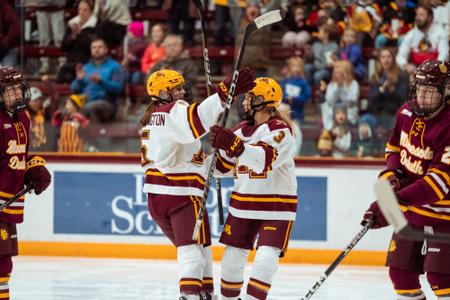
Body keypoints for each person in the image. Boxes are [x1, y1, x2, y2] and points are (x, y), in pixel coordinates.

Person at [140, 68, 256, 300]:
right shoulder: (173, 110)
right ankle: (190, 294)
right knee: (191, 251)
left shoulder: (151, 119)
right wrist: (223, 95)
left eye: (182, 87)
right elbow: (195, 121)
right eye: (175, 89)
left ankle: (205, 292)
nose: (182, 92)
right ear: (162, 93)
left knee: (200, 248)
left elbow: (189, 158)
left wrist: (221, 158)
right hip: (181, 196)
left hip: (157, 197)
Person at [362, 60, 450, 300]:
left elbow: (438, 184)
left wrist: (392, 203)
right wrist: (392, 176)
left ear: (445, 92)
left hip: (443, 216)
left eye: (429, 90)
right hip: (411, 212)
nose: (422, 95)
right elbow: (393, 149)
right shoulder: (406, 112)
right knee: (400, 275)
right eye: (419, 89)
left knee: (441, 279)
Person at [211, 78, 297, 300]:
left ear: (263, 101)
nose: (243, 103)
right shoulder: (239, 130)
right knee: (232, 258)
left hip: (276, 207)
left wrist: (233, 145)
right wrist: (218, 147)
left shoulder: (281, 130)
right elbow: (221, 169)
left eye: (249, 98)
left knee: (266, 258)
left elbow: (264, 159)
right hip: (243, 205)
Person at [0, 66, 51, 300]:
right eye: (10, 90)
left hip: (8, 205)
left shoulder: (23, 119)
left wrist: (34, 167)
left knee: (4, 267)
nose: (18, 95)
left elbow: (18, 156)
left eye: (19, 89)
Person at [70, 38, 124, 123]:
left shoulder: (115, 66)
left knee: (90, 108)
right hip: (86, 100)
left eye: (100, 47)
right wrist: (78, 80)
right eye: (94, 48)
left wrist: (101, 82)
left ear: (106, 50)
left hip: (106, 103)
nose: (96, 50)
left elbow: (118, 88)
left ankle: (95, 134)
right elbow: (73, 88)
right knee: (65, 108)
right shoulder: (86, 67)